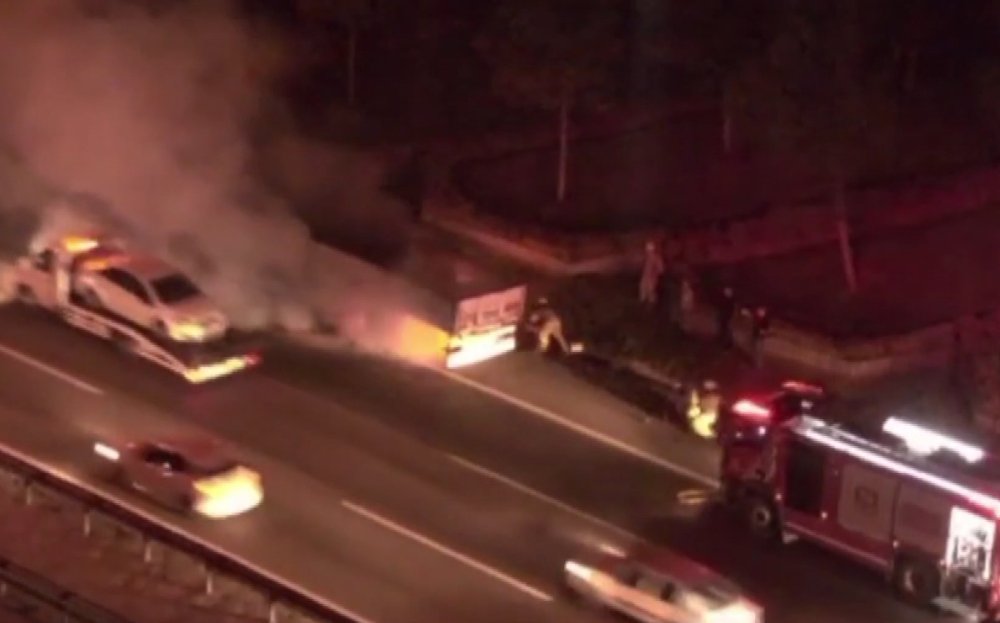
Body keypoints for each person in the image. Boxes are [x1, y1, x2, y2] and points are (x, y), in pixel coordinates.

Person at [639, 240, 665, 305]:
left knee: (651, 292)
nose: (648, 252)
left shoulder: (656, 258)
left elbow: (661, 269)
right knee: (643, 290)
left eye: (649, 250)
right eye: (647, 250)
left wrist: (655, 275)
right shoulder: (647, 258)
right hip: (645, 277)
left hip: (652, 278)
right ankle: (643, 304)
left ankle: (652, 306)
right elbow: (644, 268)